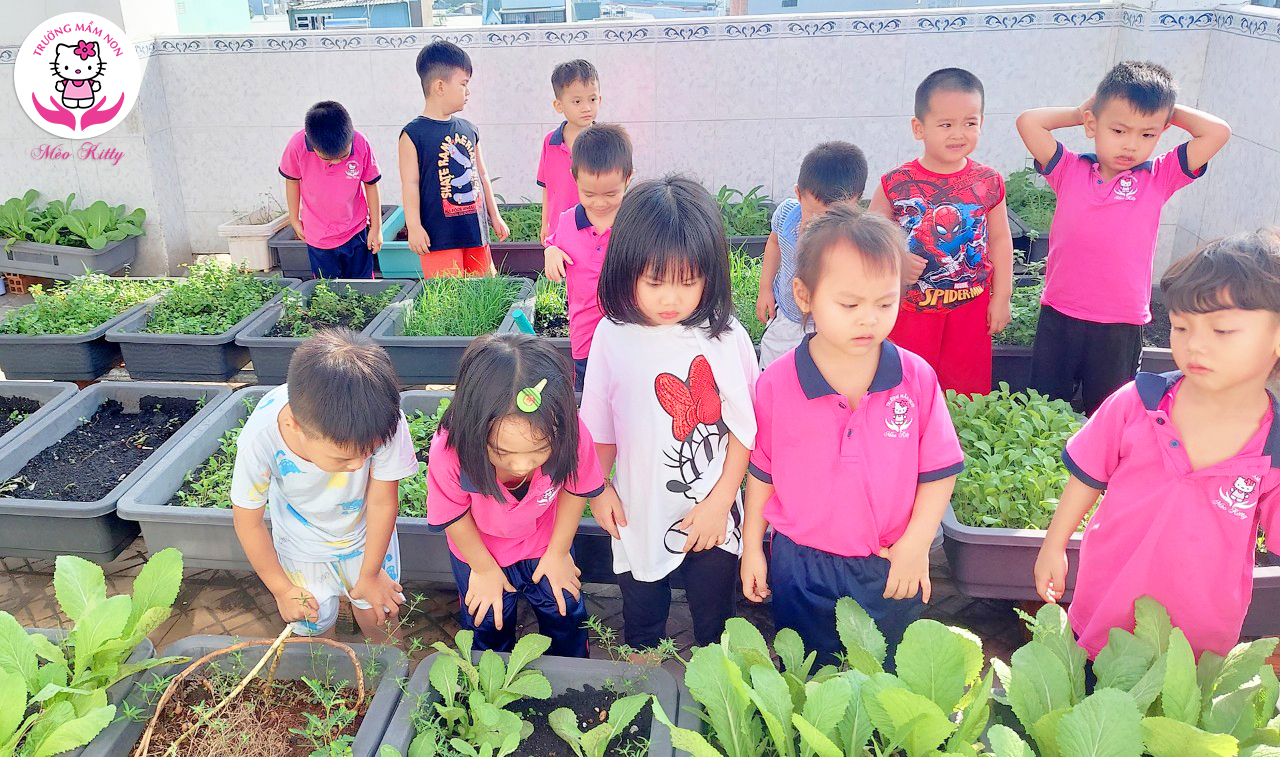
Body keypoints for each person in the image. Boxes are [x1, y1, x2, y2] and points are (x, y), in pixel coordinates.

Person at [1034, 230, 1280, 659]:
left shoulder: (1272, 444)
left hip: (1196, 643)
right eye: (1181, 327)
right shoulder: (1138, 402)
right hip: (1104, 614)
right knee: (1090, 694)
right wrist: (1054, 544)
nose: (1194, 344)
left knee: (1173, 702)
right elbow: (1087, 474)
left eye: (1222, 330)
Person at [741, 206, 964, 666]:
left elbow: (939, 471)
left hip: (887, 562)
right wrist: (751, 550)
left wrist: (916, 544)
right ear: (804, 295)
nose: (869, 319)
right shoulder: (777, 384)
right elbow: (762, 473)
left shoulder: (915, 378)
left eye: (885, 303)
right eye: (850, 305)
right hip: (801, 565)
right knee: (808, 677)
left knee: (885, 677)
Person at [580, 175, 759, 651]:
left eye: (688, 281)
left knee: (714, 615)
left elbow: (745, 430)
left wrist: (720, 503)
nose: (670, 299)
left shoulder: (724, 336)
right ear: (627, 269)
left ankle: (716, 684)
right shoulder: (612, 336)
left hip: (713, 507)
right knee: (641, 610)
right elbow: (600, 428)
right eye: (654, 281)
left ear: (710, 275)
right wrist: (598, 490)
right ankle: (642, 682)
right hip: (639, 506)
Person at [1016, 60, 1231, 414]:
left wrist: (1164, 109)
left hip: (1120, 324)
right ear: (1093, 124)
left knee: (1109, 412)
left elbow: (1217, 132)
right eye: (1119, 130)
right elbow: (1029, 122)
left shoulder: (1159, 176)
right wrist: (1082, 111)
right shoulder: (1069, 169)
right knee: (1042, 408)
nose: (1131, 145)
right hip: (1060, 314)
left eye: (1147, 135)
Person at [231, 330, 417, 642]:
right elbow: (248, 522)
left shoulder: (384, 420)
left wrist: (370, 574)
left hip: (367, 541)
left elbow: (382, 501)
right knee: (314, 629)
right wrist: (282, 589)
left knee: (379, 617)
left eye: (368, 454)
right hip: (300, 546)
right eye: (343, 458)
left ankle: (391, 667)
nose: (359, 466)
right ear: (293, 425)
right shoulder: (260, 438)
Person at [427, 332, 605, 657]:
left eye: (539, 451)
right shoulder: (450, 450)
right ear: (473, 426)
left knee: (565, 610)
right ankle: (491, 678)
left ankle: (573, 669)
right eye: (503, 452)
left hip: (546, 541)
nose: (521, 465)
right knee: (487, 621)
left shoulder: (574, 436)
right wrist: (483, 570)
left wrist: (559, 553)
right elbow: (453, 515)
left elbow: (575, 489)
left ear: (561, 425)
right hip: (481, 551)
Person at [869, 68, 1013, 396]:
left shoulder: (989, 182)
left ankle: (957, 431)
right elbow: (869, 241)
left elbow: (1000, 239)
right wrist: (896, 260)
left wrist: (1002, 296)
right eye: (946, 124)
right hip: (911, 308)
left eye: (970, 123)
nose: (958, 133)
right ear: (918, 128)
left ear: (982, 122)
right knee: (904, 387)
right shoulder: (895, 183)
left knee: (966, 393)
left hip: (971, 308)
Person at [399, 40, 507, 277]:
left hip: (475, 232)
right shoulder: (413, 135)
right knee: (448, 294)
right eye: (463, 84)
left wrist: (495, 215)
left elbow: (482, 175)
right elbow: (410, 184)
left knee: (486, 289)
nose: (468, 92)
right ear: (440, 86)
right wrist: (414, 227)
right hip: (439, 237)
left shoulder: (470, 129)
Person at [756, 141, 868, 368]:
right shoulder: (786, 216)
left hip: (829, 324)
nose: (821, 224)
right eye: (814, 214)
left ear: (856, 202)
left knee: (820, 373)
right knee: (774, 364)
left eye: (833, 217)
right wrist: (765, 288)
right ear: (798, 194)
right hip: (787, 314)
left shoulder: (857, 239)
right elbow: (774, 243)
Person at [543, 123, 633, 389]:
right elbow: (552, 244)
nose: (599, 202)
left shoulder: (634, 222)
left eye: (611, 194)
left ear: (628, 178)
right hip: (585, 336)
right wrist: (551, 252)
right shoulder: (568, 221)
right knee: (589, 393)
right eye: (589, 194)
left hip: (630, 333)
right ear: (575, 178)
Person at [279, 101, 383, 279]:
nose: (336, 162)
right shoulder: (297, 146)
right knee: (328, 289)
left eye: (343, 156)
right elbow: (292, 181)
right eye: (327, 158)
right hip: (319, 237)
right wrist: (294, 219)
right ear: (312, 144)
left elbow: (371, 184)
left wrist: (376, 227)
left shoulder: (361, 143)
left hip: (356, 231)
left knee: (363, 285)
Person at [537, 59, 601, 244]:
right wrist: (545, 224)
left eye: (592, 99)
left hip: (595, 230)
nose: (586, 108)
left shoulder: (604, 142)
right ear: (559, 105)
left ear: (600, 99)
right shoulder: (550, 142)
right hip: (559, 230)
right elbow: (547, 187)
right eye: (577, 101)